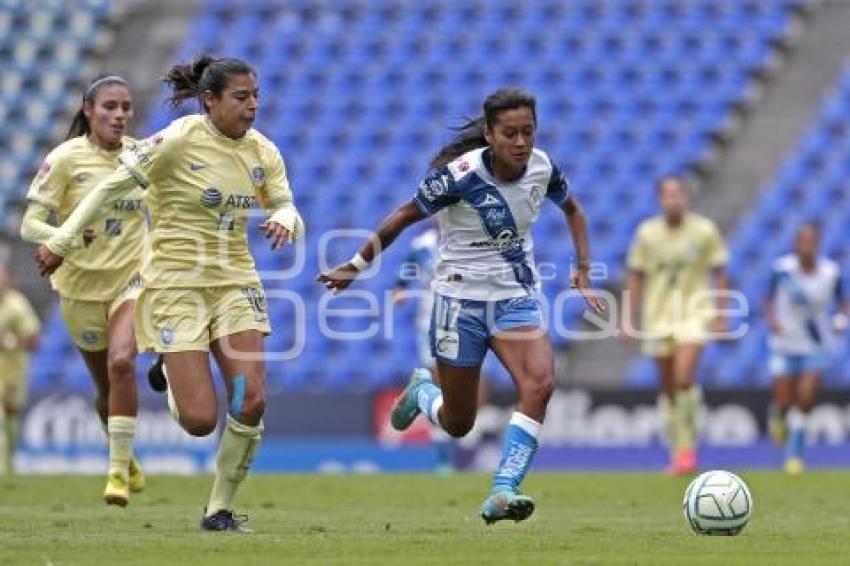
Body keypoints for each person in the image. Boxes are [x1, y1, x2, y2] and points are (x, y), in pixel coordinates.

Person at [33, 55, 305, 532]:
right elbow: (109, 188)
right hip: (176, 286)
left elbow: (284, 203)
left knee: (251, 399)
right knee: (200, 420)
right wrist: (61, 238)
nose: (252, 106)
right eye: (241, 97)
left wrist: (286, 217)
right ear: (210, 101)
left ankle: (218, 509)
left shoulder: (264, 152)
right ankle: (168, 370)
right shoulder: (178, 141)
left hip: (235, 284)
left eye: (255, 96)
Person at [319, 87, 602, 524]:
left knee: (540, 384)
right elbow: (402, 215)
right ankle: (421, 391)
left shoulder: (543, 167)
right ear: (489, 133)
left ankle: (504, 489)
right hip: (458, 302)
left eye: (528, 131)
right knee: (457, 423)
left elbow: (574, 210)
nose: (522, 143)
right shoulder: (459, 176)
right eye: (510, 133)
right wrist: (357, 264)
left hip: (514, 298)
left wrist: (582, 267)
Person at [20, 74, 147, 504]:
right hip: (79, 289)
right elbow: (29, 226)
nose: (119, 115)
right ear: (89, 111)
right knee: (106, 390)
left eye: (126, 107)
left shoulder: (142, 157)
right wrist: (67, 239)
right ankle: (124, 456)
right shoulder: (65, 160)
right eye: (110, 106)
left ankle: (115, 476)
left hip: (132, 278)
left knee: (123, 361)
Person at [623, 175, 730, 475]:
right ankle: (678, 449)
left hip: (695, 313)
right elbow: (637, 275)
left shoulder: (704, 231)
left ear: (687, 197)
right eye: (668, 194)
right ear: (660, 199)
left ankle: (687, 450)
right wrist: (626, 319)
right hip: (658, 317)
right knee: (669, 388)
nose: (674, 199)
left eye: (678, 193)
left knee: (684, 378)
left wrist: (722, 313)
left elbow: (720, 271)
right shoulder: (647, 233)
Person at [764, 222, 848, 474]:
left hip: (815, 344)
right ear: (795, 243)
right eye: (802, 240)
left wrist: (841, 322)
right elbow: (767, 301)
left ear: (818, 244)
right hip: (784, 344)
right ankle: (777, 417)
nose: (806, 245)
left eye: (811, 241)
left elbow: (843, 302)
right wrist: (773, 320)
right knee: (784, 402)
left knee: (806, 397)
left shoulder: (831, 272)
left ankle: (794, 456)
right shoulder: (782, 270)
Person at [0, 263, 41, 474]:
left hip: (14, 370)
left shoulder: (17, 305)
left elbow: (34, 339)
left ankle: (10, 463)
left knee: (12, 416)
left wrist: (11, 342)